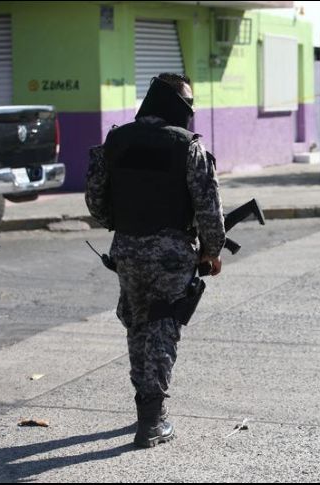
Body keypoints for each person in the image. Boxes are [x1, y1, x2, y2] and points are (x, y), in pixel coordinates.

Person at [85, 73, 226, 448]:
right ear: (174, 104)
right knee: (163, 326)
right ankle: (152, 421)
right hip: (171, 255)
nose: (192, 111)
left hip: (127, 251)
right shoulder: (188, 147)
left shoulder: (117, 140)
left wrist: (123, 224)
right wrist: (212, 251)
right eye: (189, 104)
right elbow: (209, 208)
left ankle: (144, 410)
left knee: (137, 325)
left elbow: (95, 202)